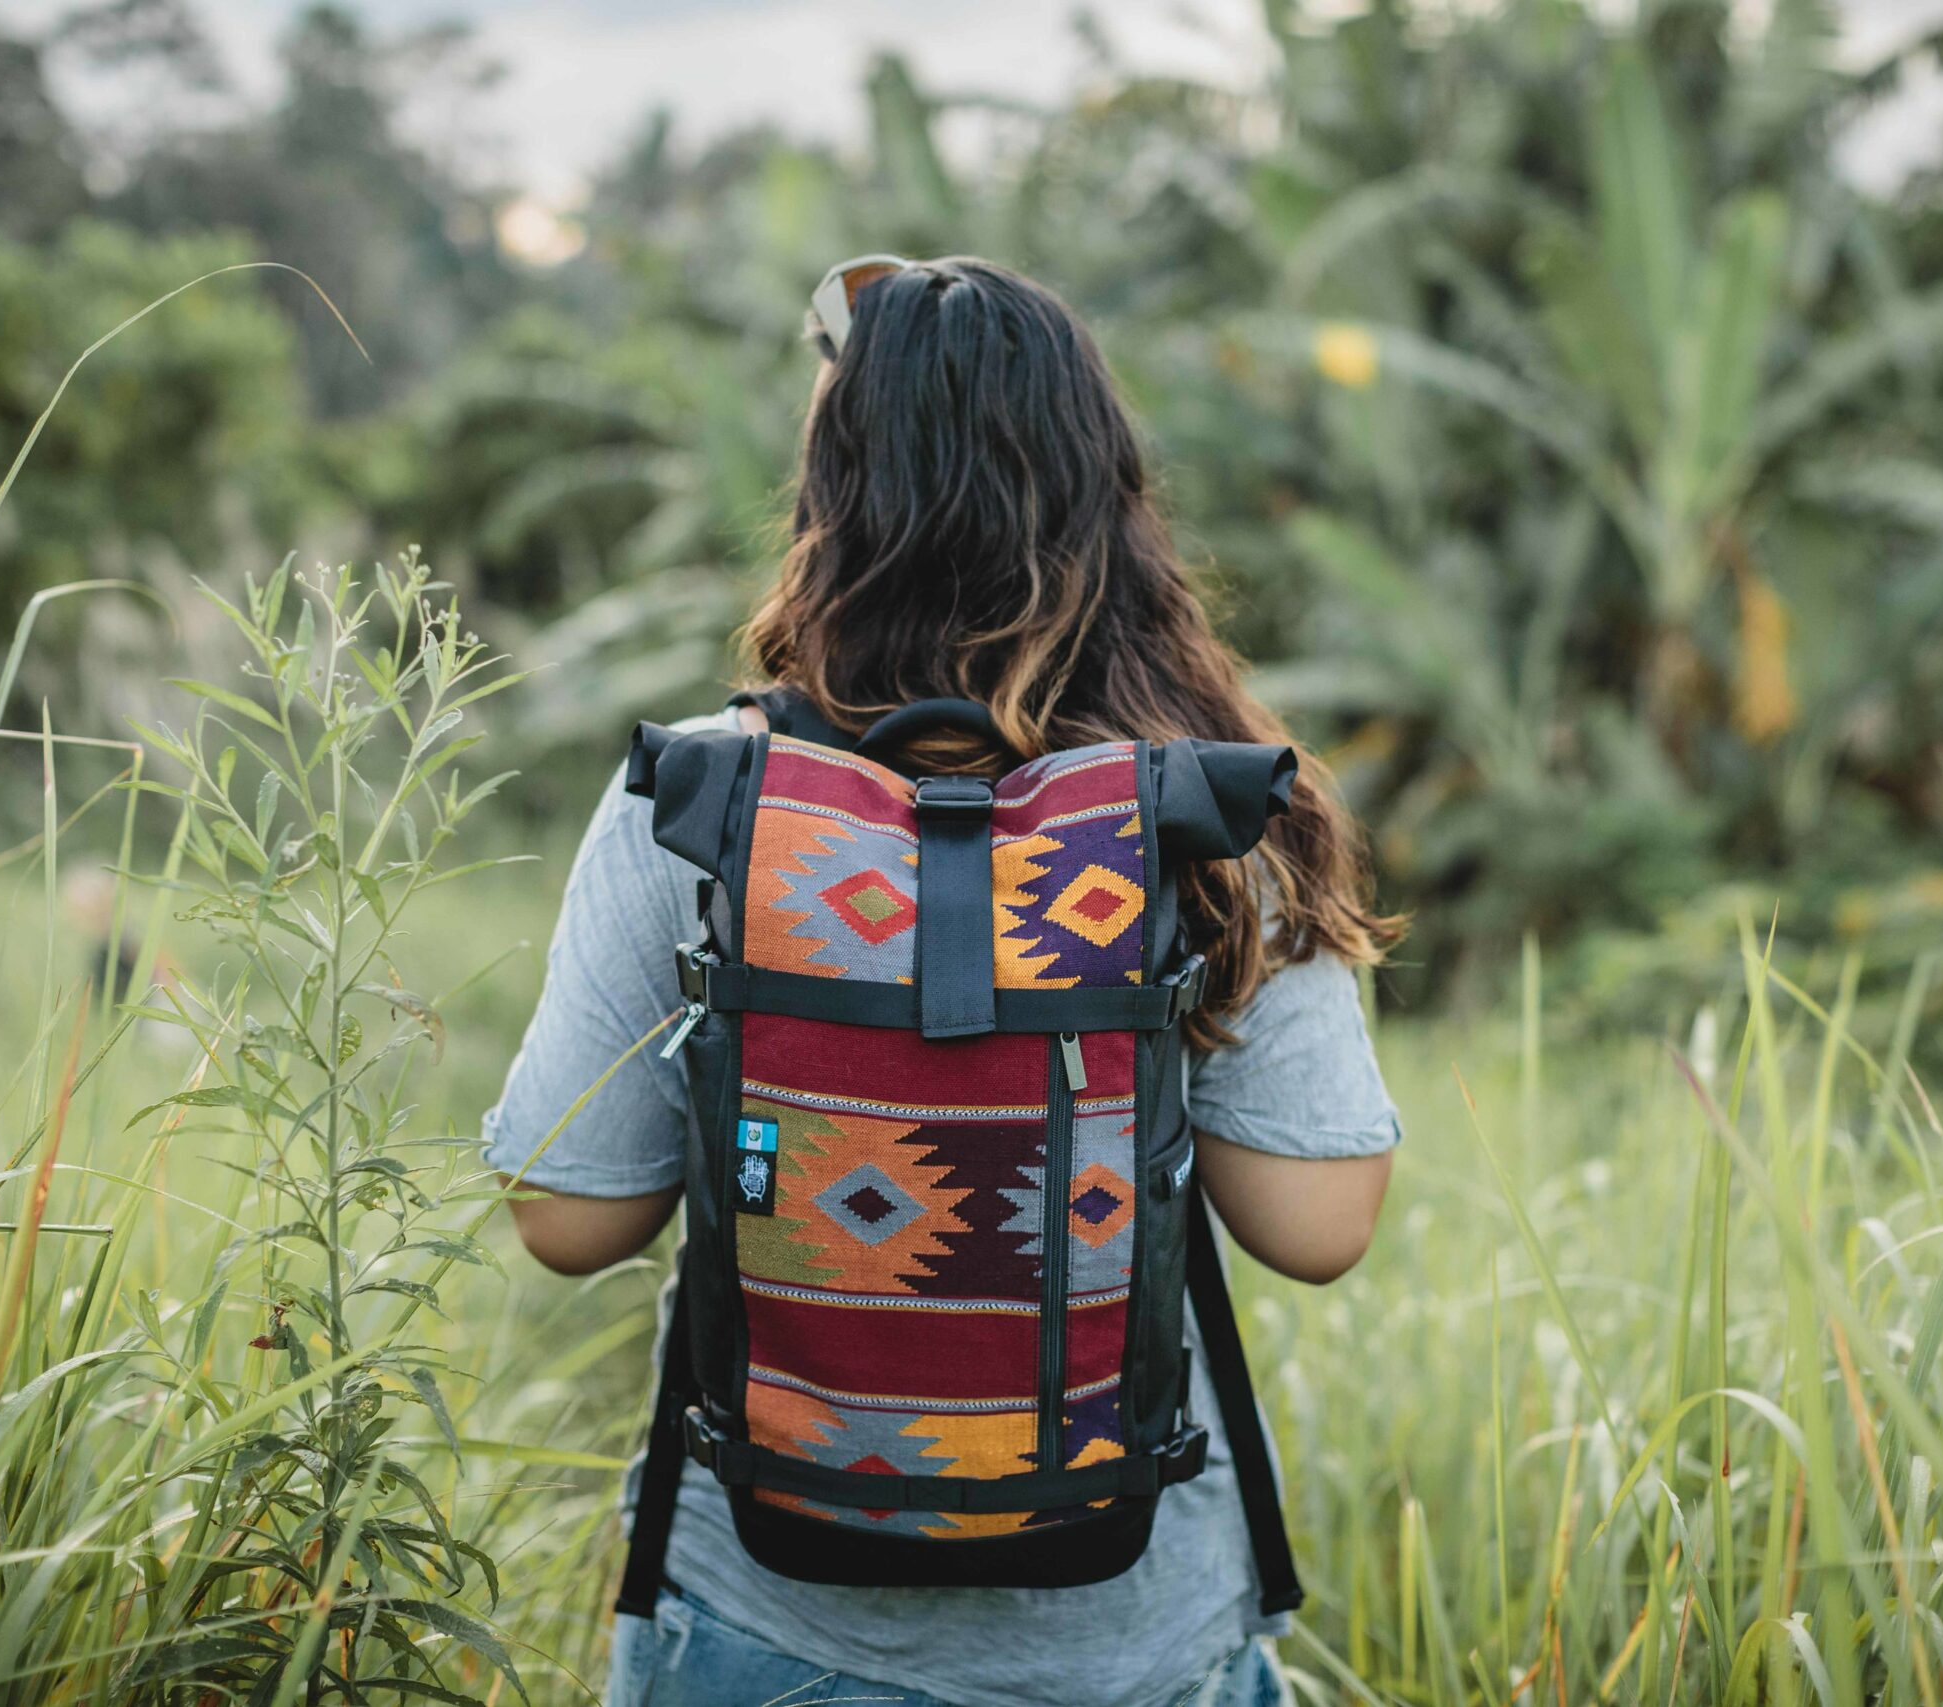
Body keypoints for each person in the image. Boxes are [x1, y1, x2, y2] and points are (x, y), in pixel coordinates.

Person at [482, 255, 1402, 1707]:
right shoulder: (1207, 813)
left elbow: (569, 1214)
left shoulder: (706, 801)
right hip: (1137, 1635)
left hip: (768, 1628)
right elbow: (1319, 1219)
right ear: (1109, 498)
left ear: (829, 505)